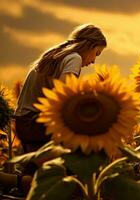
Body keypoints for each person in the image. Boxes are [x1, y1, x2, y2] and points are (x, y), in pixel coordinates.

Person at [14, 24, 106, 154]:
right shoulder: (74, 58)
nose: (94, 61)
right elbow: (64, 96)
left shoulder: (54, 55)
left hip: (24, 123)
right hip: (37, 124)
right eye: (96, 53)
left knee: (39, 171)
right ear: (89, 46)